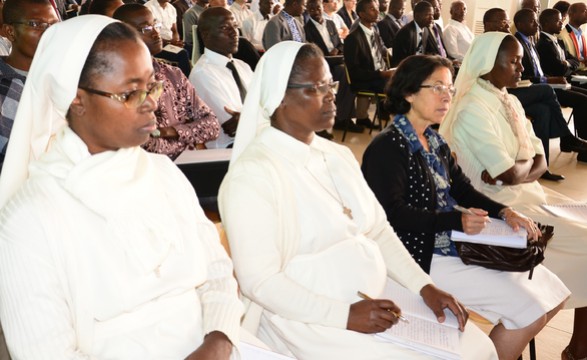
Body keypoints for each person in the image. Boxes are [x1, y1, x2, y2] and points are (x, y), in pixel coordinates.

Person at [219, 40, 498, 360]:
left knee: (479, 348)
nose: (330, 95)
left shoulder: (337, 155)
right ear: (278, 97)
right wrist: (346, 315)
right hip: (306, 321)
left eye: (330, 84)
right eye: (315, 88)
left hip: (374, 301)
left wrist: (424, 286)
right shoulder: (252, 176)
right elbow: (261, 282)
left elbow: (379, 231)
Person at [0, 15, 242, 359]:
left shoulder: (163, 173)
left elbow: (217, 274)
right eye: (130, 93)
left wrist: (218, 341)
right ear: (76, 99)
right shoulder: (30, 217)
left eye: (152, 85)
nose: (152, 103)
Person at [361, 54, 569, 360]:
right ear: (408, 93)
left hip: (452, 243)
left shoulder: (434, 140)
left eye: (450, 89)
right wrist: (454, 222)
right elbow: (392, 215)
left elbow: (463, 189)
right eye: (437, 88)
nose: (447, 96)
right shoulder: (388, 147)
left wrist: (505, 212)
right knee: (529, 309)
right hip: (420, 255)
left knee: (553, 294)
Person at [440, 31, 587, 360]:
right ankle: (571, 347)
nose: (521, 67)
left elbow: (537, 158)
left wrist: (527, 167)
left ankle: (578, 345)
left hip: (526, 194)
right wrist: (526, 166)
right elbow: (507, 175)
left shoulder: (505, 97)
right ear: (488, 64)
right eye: (514, 61)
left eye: (521, 60)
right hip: (494, 205)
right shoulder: (472, 108)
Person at [114, 4, 220, 159]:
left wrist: (171, 132)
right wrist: (190, 140)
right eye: (146, 29)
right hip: (152, 170)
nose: (156, 33)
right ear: (122, 35)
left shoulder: (172, 73)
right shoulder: (120, 82)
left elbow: (212, 125)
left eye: (155, 25)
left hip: (189, 164)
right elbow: (147, 146)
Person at [514, 8, 587, 162]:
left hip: (546, 84)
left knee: (581, 94)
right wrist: (548, 80)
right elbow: (522, 75)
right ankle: (570, 139)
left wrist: (550, 78)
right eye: (532, 21)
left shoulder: (531, 41)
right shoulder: (518, 43)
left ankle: (569, 140)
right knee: (579, 100)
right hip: (530, 88)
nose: (537, 25)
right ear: (520, 24)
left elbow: (570, 62)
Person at [0, 0, 60, 173]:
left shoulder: (65, 77)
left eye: (53, 25)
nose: (48, 33)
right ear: (10, 31)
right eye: (36, 24)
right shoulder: (4, 84)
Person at [190, 7, 253, 148]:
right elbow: (232, 125)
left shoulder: (243, 66)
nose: (234, 33)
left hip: (254, 139)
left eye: (235, 26)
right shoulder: (203, 73)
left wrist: (248, 118)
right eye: (225, 28)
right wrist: (260, 116)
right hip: (230, 148)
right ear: (205, 35)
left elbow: (266, 105)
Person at [344, 0, 391, 129]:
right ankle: (396, 123)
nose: (377, 12)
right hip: (364, 80)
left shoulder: (374, 33)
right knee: (398, 87)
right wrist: (381, 74)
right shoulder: (353, 38)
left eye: (377, 8)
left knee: (405, 79)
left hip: (377, 75)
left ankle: (364, 118)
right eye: (372, 9)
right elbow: (354, 72)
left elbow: (380, 56)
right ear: (361, 14)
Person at [558, 2, 587, 72]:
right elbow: (563, 61)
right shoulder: (561, 35)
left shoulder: (583, 35)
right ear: (571, 14)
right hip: (573, 73)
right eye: (584, 11)